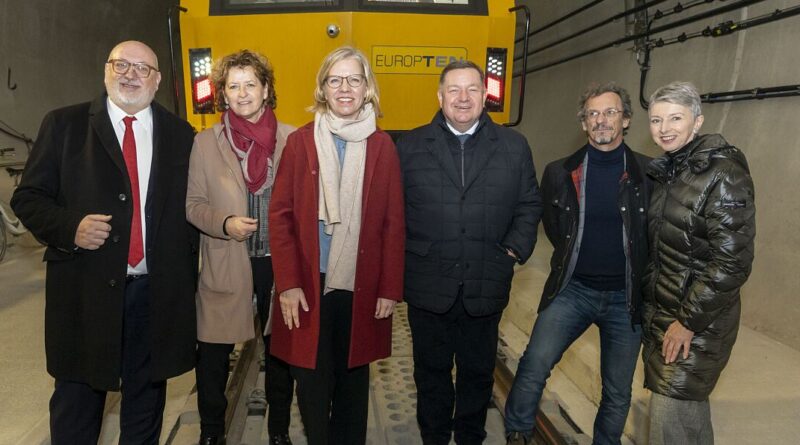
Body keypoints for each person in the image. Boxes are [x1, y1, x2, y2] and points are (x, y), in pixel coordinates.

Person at [10, 41, 198, 444]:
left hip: (153, 297)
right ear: (106, 70)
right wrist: (69, 227)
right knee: (77, 404)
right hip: (84, 292)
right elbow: (27, 198)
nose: (130, 74)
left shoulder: (181, 135)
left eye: (142, 68)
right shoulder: (64, 125)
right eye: (121, 65)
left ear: (158, 80)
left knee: (145, 409)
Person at [397, 60, 542, 445]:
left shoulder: (514, 146)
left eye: (472, 89)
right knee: (430, 372)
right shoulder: (410, 146)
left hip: (486, 280)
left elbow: (529, 204)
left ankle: (470, 437)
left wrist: (511, 251)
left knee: (478, 373)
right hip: (429, 282)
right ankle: (434, 437)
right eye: (454, 90)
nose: (463, 98)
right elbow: (393, 212)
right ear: (440, 96)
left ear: (485, 95)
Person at [268, 46, 405, 445]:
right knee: (311, 381)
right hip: (310, 284)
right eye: (335, 80)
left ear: (367, 89)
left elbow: (394, 224)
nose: (345, 88)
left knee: (352, 380)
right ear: (323, 88)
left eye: (354, 80)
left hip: (360, 285)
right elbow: (281, 218)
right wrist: (289, 283)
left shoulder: (383, 147)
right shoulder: (300, 143)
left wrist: (389, 289)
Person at [504, 83, 651, 445]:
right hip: (574, 289)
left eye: (610, 112)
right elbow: (557, 231)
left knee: (617, 390)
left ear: (626, 120)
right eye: (593, 114)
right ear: (584, 123)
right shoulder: (559, 172)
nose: (601, 120)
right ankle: (518, 432)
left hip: (625, 298)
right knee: (535, 364)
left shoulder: (649, 174)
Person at [186, 50, 295, 445]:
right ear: (223, 94)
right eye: (233, 86)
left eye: (251, 84)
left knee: (281, 354)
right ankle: (212, 431)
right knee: (212, 355)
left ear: (266, 90)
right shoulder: (205, 144)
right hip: (225, 260)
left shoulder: (293, 138)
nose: (243, 93)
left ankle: (279, 430)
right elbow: (193, 205)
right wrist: (225, 223)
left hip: (277, 265)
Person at [643, 81, 755, 444]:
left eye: (676, 118)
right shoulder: (671, 171)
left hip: (697, 322)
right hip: (667, 313)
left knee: (669, 418)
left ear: (697, 121)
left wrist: (687, 323)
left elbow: (733, 262)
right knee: (686, 420)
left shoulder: (722, 173)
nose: (665, 129)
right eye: (656, 120)